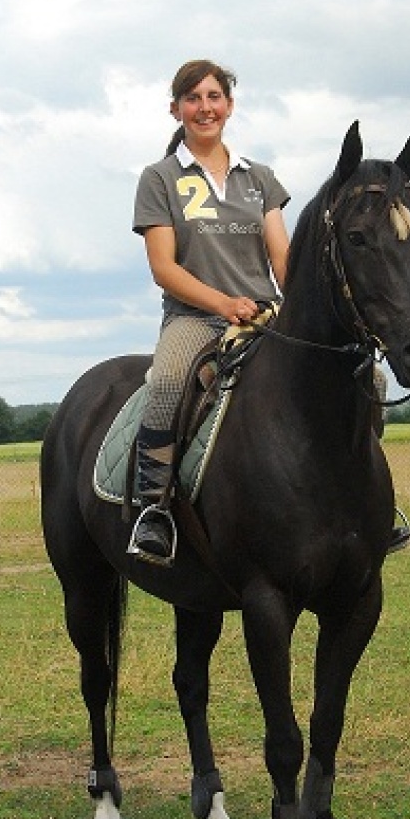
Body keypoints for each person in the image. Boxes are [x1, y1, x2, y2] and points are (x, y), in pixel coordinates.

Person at [127, 59, 290, 565]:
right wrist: (223, 303)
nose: (205, 108)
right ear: (175, 109)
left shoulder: (259, 177)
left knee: (357, 375)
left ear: (230, 106)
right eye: (193, 98)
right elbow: (163, 268)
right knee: (171, 380)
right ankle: (153, 511)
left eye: (214, 97)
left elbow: (282, 260)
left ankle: (366, 503)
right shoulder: (159, 178)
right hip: (195, 320)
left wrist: (296, 307)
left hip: (264, 317)